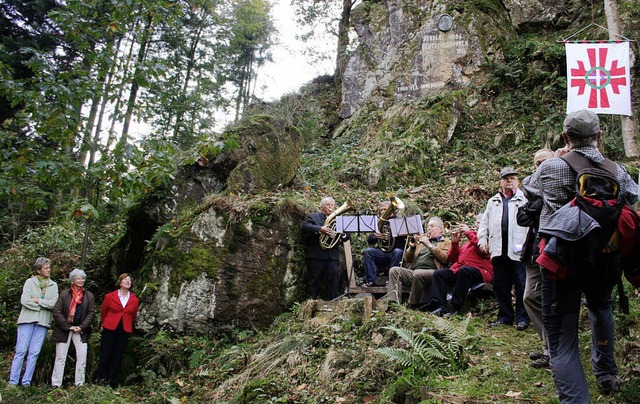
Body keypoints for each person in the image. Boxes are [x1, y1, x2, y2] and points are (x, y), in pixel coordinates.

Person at [526, 109, 638, 401]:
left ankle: (576, 399)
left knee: (563, 340)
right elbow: (633, 197)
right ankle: (606, 372)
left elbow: (529, 187)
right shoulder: (616, 171)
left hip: (561, 261)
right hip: (604, 259)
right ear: (600, 136)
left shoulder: (551, 167)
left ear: (565, 137)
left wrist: (558, 157)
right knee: (602, 309)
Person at [477, 167, 529, 330]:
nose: (509, 181)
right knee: (501, 284)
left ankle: (522, 317)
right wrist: (482, 239)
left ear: (517, 181)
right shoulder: (493, 201)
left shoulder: (524, 200)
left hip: (518, 248)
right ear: (500, 181)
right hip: (498, 248)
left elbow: (529, 225)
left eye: (512, 178)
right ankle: (505, 316)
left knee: (521, 284)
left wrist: (528, 245)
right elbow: (484, 223)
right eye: (506, 178)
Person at [520, 148, 555, 368]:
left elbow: (538, 210)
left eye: (544, 162)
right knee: (529, 297)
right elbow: (523, 216)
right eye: (537, 163)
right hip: (533, 250)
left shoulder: (558, 184)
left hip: (551, 250)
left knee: (549, 302)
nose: (540, 167)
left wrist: (534, 209)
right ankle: (548, 345)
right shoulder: (532, 187)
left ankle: (552, 349)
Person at [8, 257, 59, 386]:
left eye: (49, 267)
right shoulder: (30, 282)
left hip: (43, 322)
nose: (48, 270)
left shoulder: (53, 285)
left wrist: (38, 301)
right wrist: (41, 307)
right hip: (27, 320)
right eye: (46, 268)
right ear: (38, 270)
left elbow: (53, 303)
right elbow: (25, 300)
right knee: (21, 351)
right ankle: (13, 381)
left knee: (34, 353)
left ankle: (26, 382)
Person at [429, 217, 493, 317]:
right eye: (475, 223)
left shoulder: (487, 239)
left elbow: (482, 249)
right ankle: (438, 306)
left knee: (465, 271)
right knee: (439, 274)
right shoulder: (468, 243)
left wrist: (468, 233)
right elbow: (453, 259)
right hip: (461, 270)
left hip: (481, 271)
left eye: (479, 223)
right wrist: (455, 243)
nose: (476, 225)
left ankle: (454, 307)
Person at [387, 216, 451, 308]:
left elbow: (445, 258)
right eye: (428, 226)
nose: (429, 228)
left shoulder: (446, 242)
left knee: (418, 274)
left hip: (434, 272)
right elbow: (408, 259)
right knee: (394, 271)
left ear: (441, 229)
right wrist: (412, 247)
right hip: (415, 271)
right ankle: (392, 304)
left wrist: (428, 244)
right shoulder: (421, 243)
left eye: (432, 226)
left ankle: (412, 304)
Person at [51, 268, 95, 388]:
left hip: (81, 331)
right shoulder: (65, 294)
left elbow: (91, 313)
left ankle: (79, 383)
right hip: (64, 330)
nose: (81, 280)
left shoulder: (88, 295)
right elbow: (57, 312)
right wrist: (67, 327)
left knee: (82, 356)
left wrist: (81, 327)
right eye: (78, 278)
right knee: (60, 357)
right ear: (72, 280)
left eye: (83, 278)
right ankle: (56, 383)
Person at [301, 197, 349, 300]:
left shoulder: (338, 220)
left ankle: (331, 301)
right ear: (322, 207)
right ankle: (312, 301)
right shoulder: (314, 217)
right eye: (328, 205)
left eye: (332, 205)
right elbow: (304, 227)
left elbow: (347, 238)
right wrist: (320, 229)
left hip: (332, 256)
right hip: (316, 255)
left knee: (333, 278)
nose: (330, 207)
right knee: (314, 279)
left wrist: (344, 234)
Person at [97, 273, 140, 388]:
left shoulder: (134, 300)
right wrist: (106, 323)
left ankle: (112, 381)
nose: (128, 281)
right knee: (106, 353)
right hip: (109, 328)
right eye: (125, 279)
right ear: (120, 282)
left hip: (124, 330)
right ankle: (101, 379)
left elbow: (133, 315)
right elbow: (103, 312)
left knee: (118, 355)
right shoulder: (110, 296)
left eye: (129, 280)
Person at [362, 201, 405, 287]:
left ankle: (391, 281)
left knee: (397, 252)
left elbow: (406, 237)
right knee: (368, 251)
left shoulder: (400, 221)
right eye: (381, 210)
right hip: (382, 252)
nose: (383, 212)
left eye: (385, 209)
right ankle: (370, 281)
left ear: (392, 211)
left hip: (395, 252)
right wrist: (375, 236)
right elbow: (370, 241)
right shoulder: (380, 223)